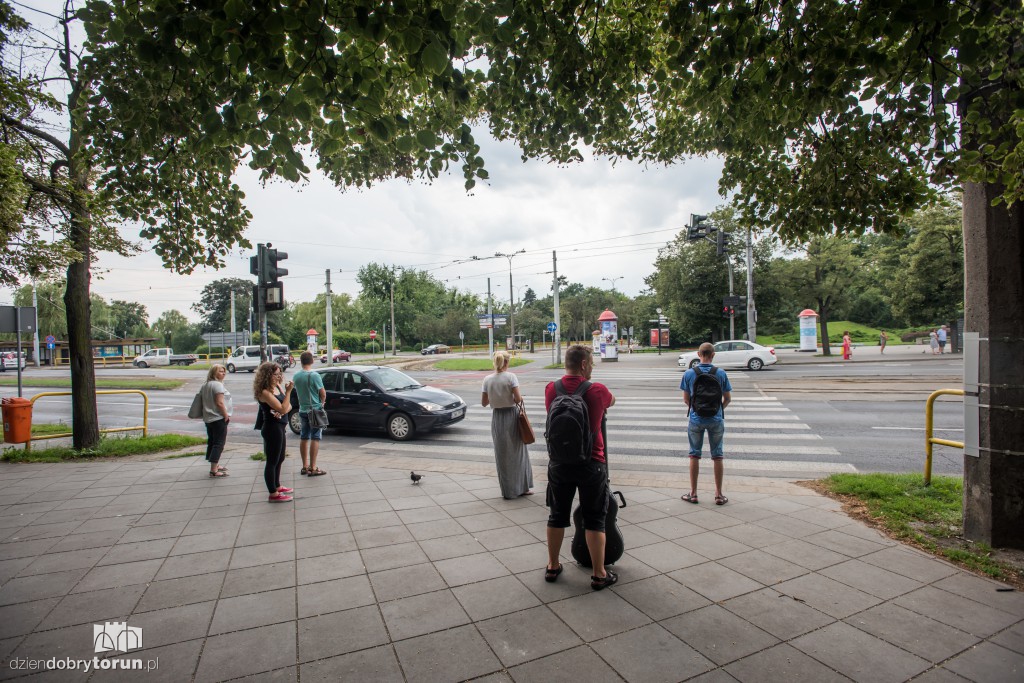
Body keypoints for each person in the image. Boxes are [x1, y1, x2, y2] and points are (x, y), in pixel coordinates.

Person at [543, 345, 617, 590]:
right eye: (592, 363)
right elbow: (612, 402)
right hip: (592, 463)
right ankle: (599, 574)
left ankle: (552, 566)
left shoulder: (551, 389)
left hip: (559, 462)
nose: (593, 367)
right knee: (595, 518)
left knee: (556, 515)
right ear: (584, 364)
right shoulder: (597, 390)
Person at [680, 342, 732, 506]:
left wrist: (696, 409)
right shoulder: (721, 373)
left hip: (696, 419)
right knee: (717, 455)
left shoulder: (689, 373)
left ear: (698, 354)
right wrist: (718, 410)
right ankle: (718, 494)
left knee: (694, 454)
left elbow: (686, 400)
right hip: (716, 420)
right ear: (713, 355)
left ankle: (693, 494)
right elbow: (728, 398)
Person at [482, 350, 533, 499]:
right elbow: (517, 399)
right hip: (512, 416)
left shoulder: (487, 379)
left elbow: (484, 403)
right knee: (518, 453)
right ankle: (523, 488)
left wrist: (496, 397)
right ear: (507, 362)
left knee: (502, 455)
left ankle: (508, 492)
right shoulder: (511, 377)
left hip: (497, 418)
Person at [254, 362, 294, 502]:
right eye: (275, 374)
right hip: (272, 428)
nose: (279, 377)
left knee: (280, 458)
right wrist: (288, 393)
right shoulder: (264, 392)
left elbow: (288, 406)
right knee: (272, 461)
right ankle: (273, 493)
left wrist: (282, 409)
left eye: (279, 374)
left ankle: (277, 485)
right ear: (267, 375)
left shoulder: (276, 387)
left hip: (280, 426)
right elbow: (283, 408)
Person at [293, 351, 328, 477]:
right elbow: (322, 393)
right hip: (314, 410)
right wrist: (322, 403)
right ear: (312, 361)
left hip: (302, 410)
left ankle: (304, 466)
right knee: (315, 437)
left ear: (301, 361)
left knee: (304, 437)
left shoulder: (296, 376)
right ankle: (313, 467)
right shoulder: (314, 375)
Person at [201, 364, 232, 477]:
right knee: (219, 443)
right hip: (218, 417)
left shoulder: (205, 385)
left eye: (224, 371)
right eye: (220, 371)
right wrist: (226, 415)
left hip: (208, 418)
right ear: (214, 373)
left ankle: (215, 464)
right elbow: (219, 403)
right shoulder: (218, 385)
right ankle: (213, 470)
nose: (223, 373)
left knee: (212, 441)